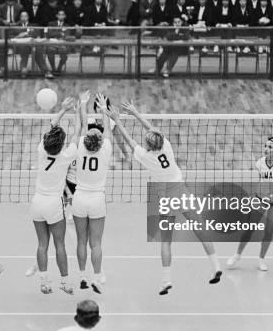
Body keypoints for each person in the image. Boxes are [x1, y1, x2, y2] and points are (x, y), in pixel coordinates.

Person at [107, 101, 222, 295]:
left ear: (148, 145)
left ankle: (167, 280)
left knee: (166, 242)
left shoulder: (145, 156)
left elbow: (128, 139)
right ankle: (216, 266)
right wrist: (135, 112)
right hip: (181, 192)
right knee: (201, 230)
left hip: (165, 199)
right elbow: (151, 129)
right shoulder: (166, 146)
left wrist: (117, 120)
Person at [30, 94, 84, 294]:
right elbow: (78, 132)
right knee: (59, 244)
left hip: (37, 203)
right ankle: (65, 282)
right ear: (61, 145)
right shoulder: (67, 155)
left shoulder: (41, 151)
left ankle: (44, 282)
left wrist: (62, 109)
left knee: (42, 244)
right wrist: (78, 111)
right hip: (53, 204)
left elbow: (50, 128)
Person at [227, 137, 273, 271]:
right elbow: (260, 181)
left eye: (270, 147)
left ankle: (261, 259)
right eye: (265, 146)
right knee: (249, 227)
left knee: (269, 232)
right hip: (260, 199)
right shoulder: (260, 162)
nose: (266, 149)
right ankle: (237, 255)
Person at [73, 93, 112, 294]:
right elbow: (106, 131)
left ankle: (81, 276)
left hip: (79, 199)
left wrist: (82, 105)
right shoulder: (106, 147)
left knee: (81, 241)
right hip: (97, 200)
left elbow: (81, 124)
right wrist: (103, 109)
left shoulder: (79, 145)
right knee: (95, 243)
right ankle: (97, 277)